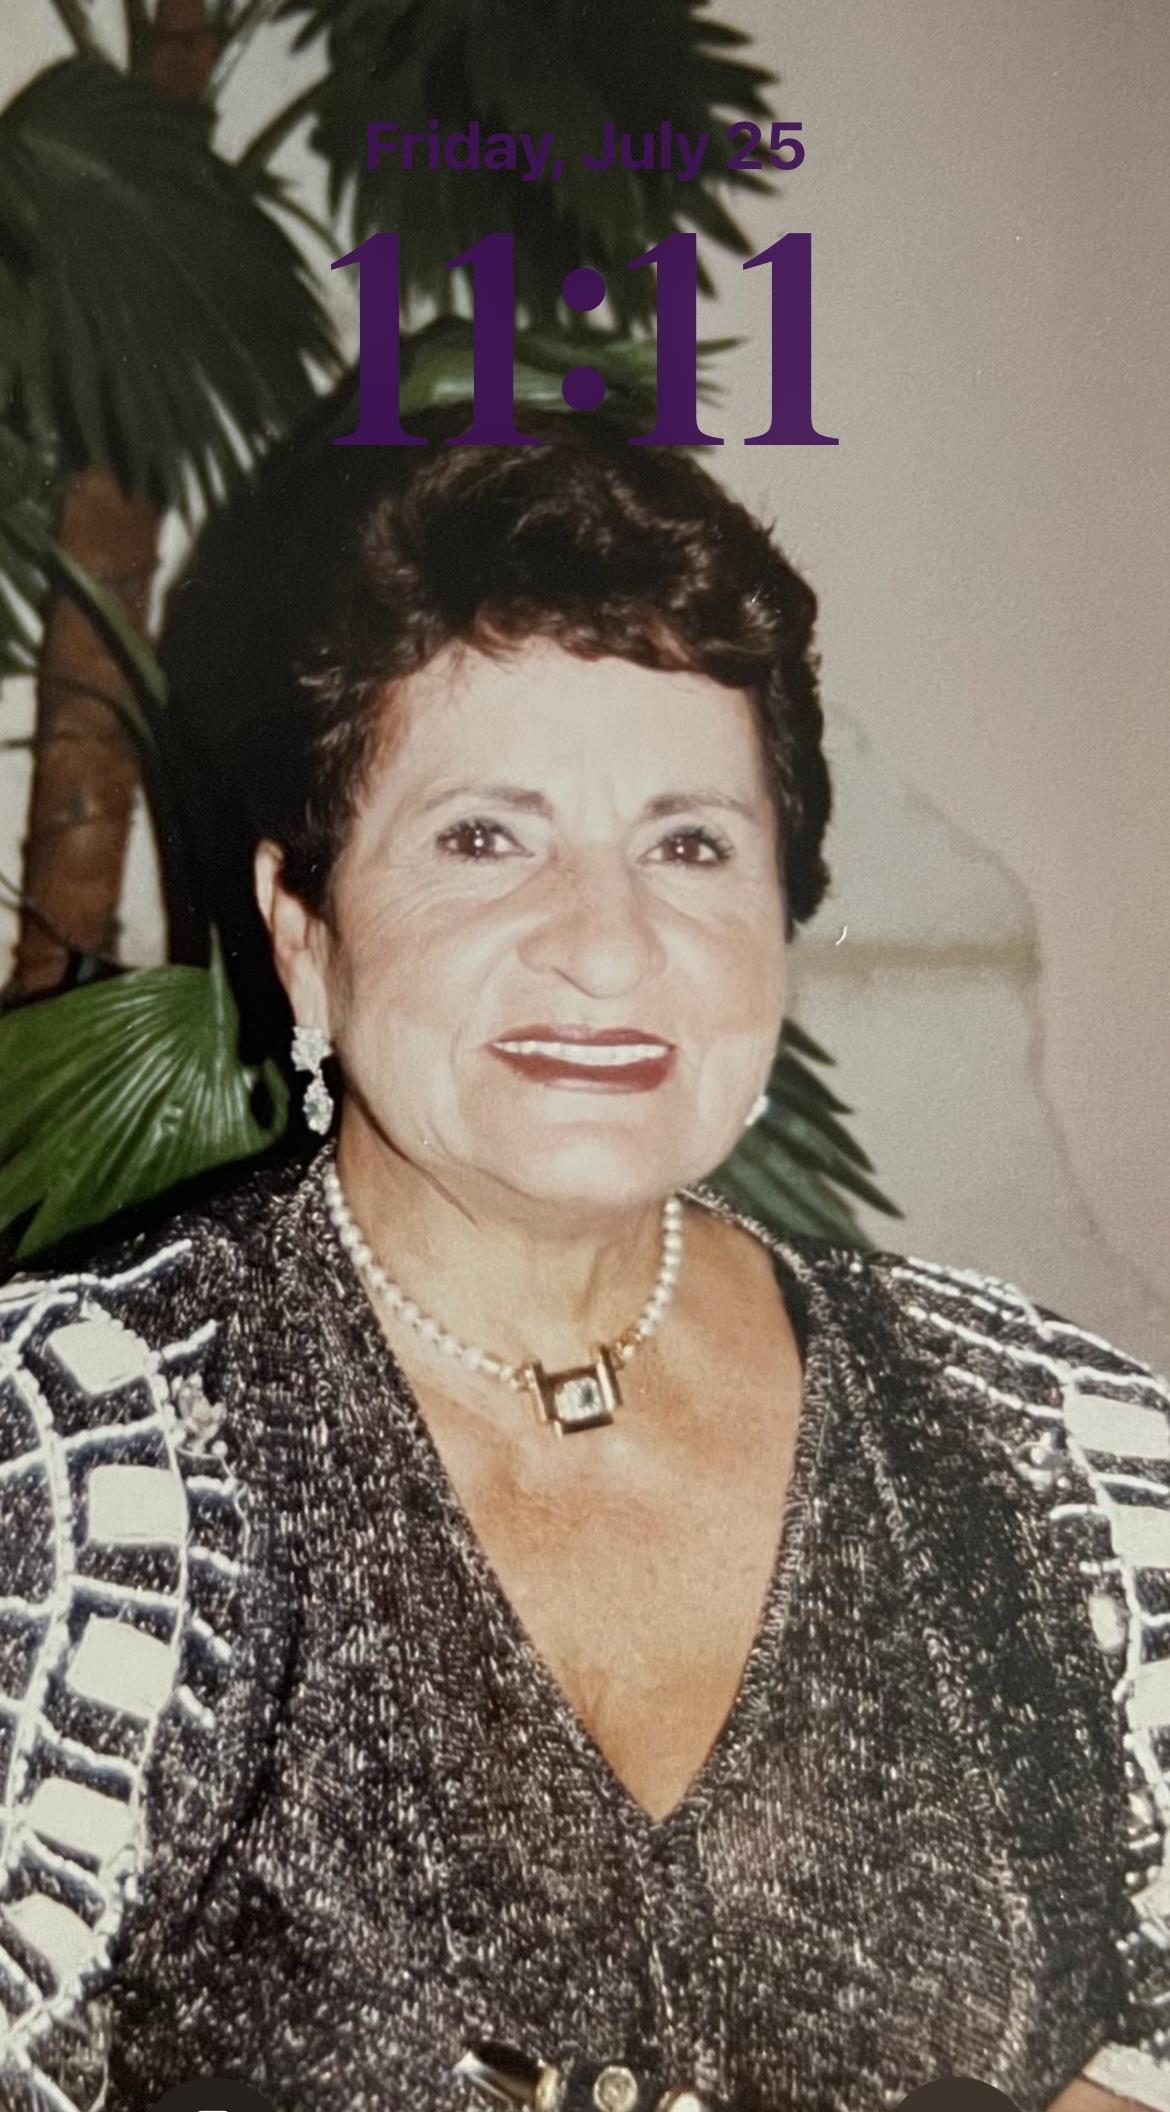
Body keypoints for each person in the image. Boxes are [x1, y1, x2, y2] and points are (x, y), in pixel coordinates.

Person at [0, 408, 1166, 2112]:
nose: (609, 944)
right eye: (486, 836)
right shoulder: (64, 1452)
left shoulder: (1070, 1447)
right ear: (301, 932)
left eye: (690, 843)